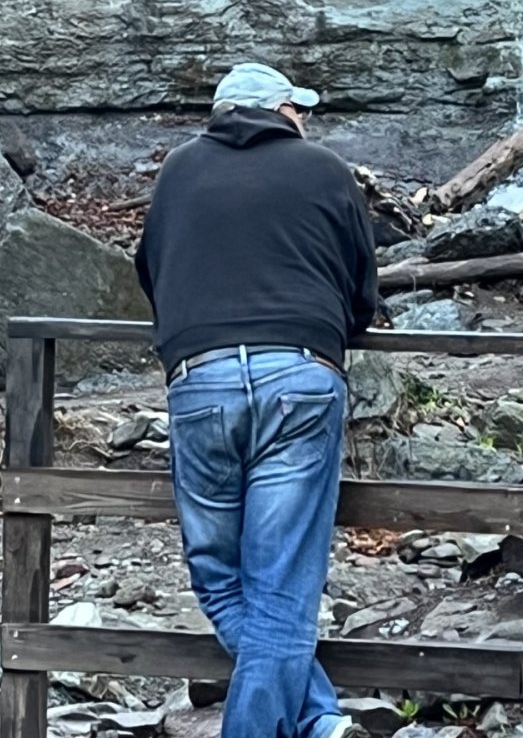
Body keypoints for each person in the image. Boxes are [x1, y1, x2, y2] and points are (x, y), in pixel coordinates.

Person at [135, 61, 378, 738]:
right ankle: (317, 721)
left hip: (200, 378)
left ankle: (321, 722)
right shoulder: (324, 169)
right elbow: (363, 287)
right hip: (299, 376)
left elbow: (151, 270)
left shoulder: (179, 170)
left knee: (220, 575)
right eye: (298, 108)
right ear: (280, 111)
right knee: (281, 580)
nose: (305, 118)